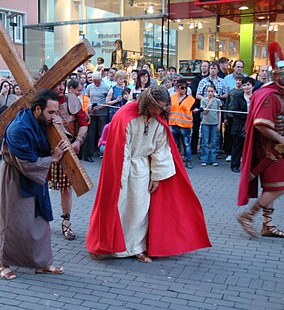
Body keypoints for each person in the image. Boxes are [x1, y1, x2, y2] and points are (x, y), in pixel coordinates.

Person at [86, 86, 211, 262]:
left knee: (140, 209)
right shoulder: (125, 116)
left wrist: (156, 176)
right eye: (157, 107)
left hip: (143, 167)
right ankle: (109, 245)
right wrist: (119, 178)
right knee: (118, 206)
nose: (159, 111)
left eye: (163, 108)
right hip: (123, 167)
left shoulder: (158, 119)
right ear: (148, 103)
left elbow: (161, 148)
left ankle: (136, 247)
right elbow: (122, 150)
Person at [0, 89, 68, 280]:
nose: (54, 117)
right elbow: (26, 163)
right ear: (37, 109)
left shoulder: (41, 121)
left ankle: (41, 263)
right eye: (51, 113)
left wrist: (59, 127)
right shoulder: (19, 129)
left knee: (40, 221)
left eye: (56, 112)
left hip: (37, 176)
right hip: (17, 178)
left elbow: (49, 140)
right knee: (15, 222)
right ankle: (2, 262)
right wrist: (52, 159)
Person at [237, 42, 284, 239]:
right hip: (271, 150)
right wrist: (281, 138)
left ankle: (267, 225)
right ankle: (248, 215)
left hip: (279, 148)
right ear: (277, 76)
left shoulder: (280, 95)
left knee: (273, 187)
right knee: (279, 186)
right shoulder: (269, 95)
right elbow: (260, 123)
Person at [50, 80, 88, 240]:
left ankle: (66, 222)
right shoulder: (43, 101)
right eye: (57, 83)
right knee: (36, 185)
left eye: (63, 83)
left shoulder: (72, 101)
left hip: (67, 150)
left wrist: (78, 141)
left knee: (66, 189)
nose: (60, 87)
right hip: (46, 150)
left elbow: (83, 124)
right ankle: (37, 220)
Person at [169, 79, 196, 169]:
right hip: (173, 124)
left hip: (184, 126)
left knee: (186, 144)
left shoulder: (191, 100)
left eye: (185, 88)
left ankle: (188, 161)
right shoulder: (172, 97)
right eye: (181, 88)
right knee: (174, 144)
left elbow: (194, 110)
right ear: (177, 88)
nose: (183, 89)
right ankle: (174, 161)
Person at [230, 76, 254, 173]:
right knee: (237, 146)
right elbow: (234, 111)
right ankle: (235, 165)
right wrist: (246, 116)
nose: (246, 87)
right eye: (244, 85)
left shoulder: (256, 97)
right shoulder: (238, 97)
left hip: (253, 124)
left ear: (252, 86)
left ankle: (249, 166)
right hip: (239, 125)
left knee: (250, 147)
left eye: (248, 85)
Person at [200, 84, 222, 167]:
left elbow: (219, 112)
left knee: (214, 142)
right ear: (206, 92)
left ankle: (213, 159)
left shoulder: (218, 101)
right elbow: (204, 112)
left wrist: (219, 124)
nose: (210, 93)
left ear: (214, 92)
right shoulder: (203, 101)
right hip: (205, 123)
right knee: (205, 142)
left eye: (212, 91)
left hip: (214, 123)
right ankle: (204, 159)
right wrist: (209, 104)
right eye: (208, 91)